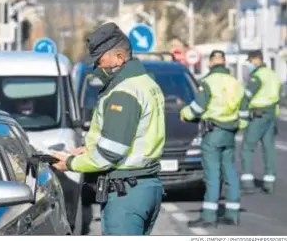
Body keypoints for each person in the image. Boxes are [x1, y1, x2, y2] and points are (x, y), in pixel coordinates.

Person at [51, 22, 166, 235]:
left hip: (126, 194)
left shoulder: (124, 92)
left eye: (100, 61)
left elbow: (109, 154)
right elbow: (136, 136)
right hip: (146, 186)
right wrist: (86, 150)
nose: (97, 68)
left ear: (120, 58)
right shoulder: (145, 83)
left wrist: (70, 163)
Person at [180, 50, 245, 227]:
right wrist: (238, 126)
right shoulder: (236, 83)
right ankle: (232, 214)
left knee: (212, 174)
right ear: (224, 62)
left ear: (210, 63)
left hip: (213, 132)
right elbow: (245, 112)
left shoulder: (208, 82)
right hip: (230, 132)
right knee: (230, 171)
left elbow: (198, 107)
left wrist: (184, 113)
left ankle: (209, 216)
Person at [238, 50, 282, 194]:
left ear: (257, 60)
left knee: (247, 147)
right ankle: (269, 181)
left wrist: (243, 118)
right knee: (268, 148)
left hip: (257, 115)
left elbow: (246, 97)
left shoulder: (257, 77)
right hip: (270, 115)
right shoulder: (273, 74)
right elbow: (278, 97)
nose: (250, 64)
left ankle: (247, 181)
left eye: (250, 61)